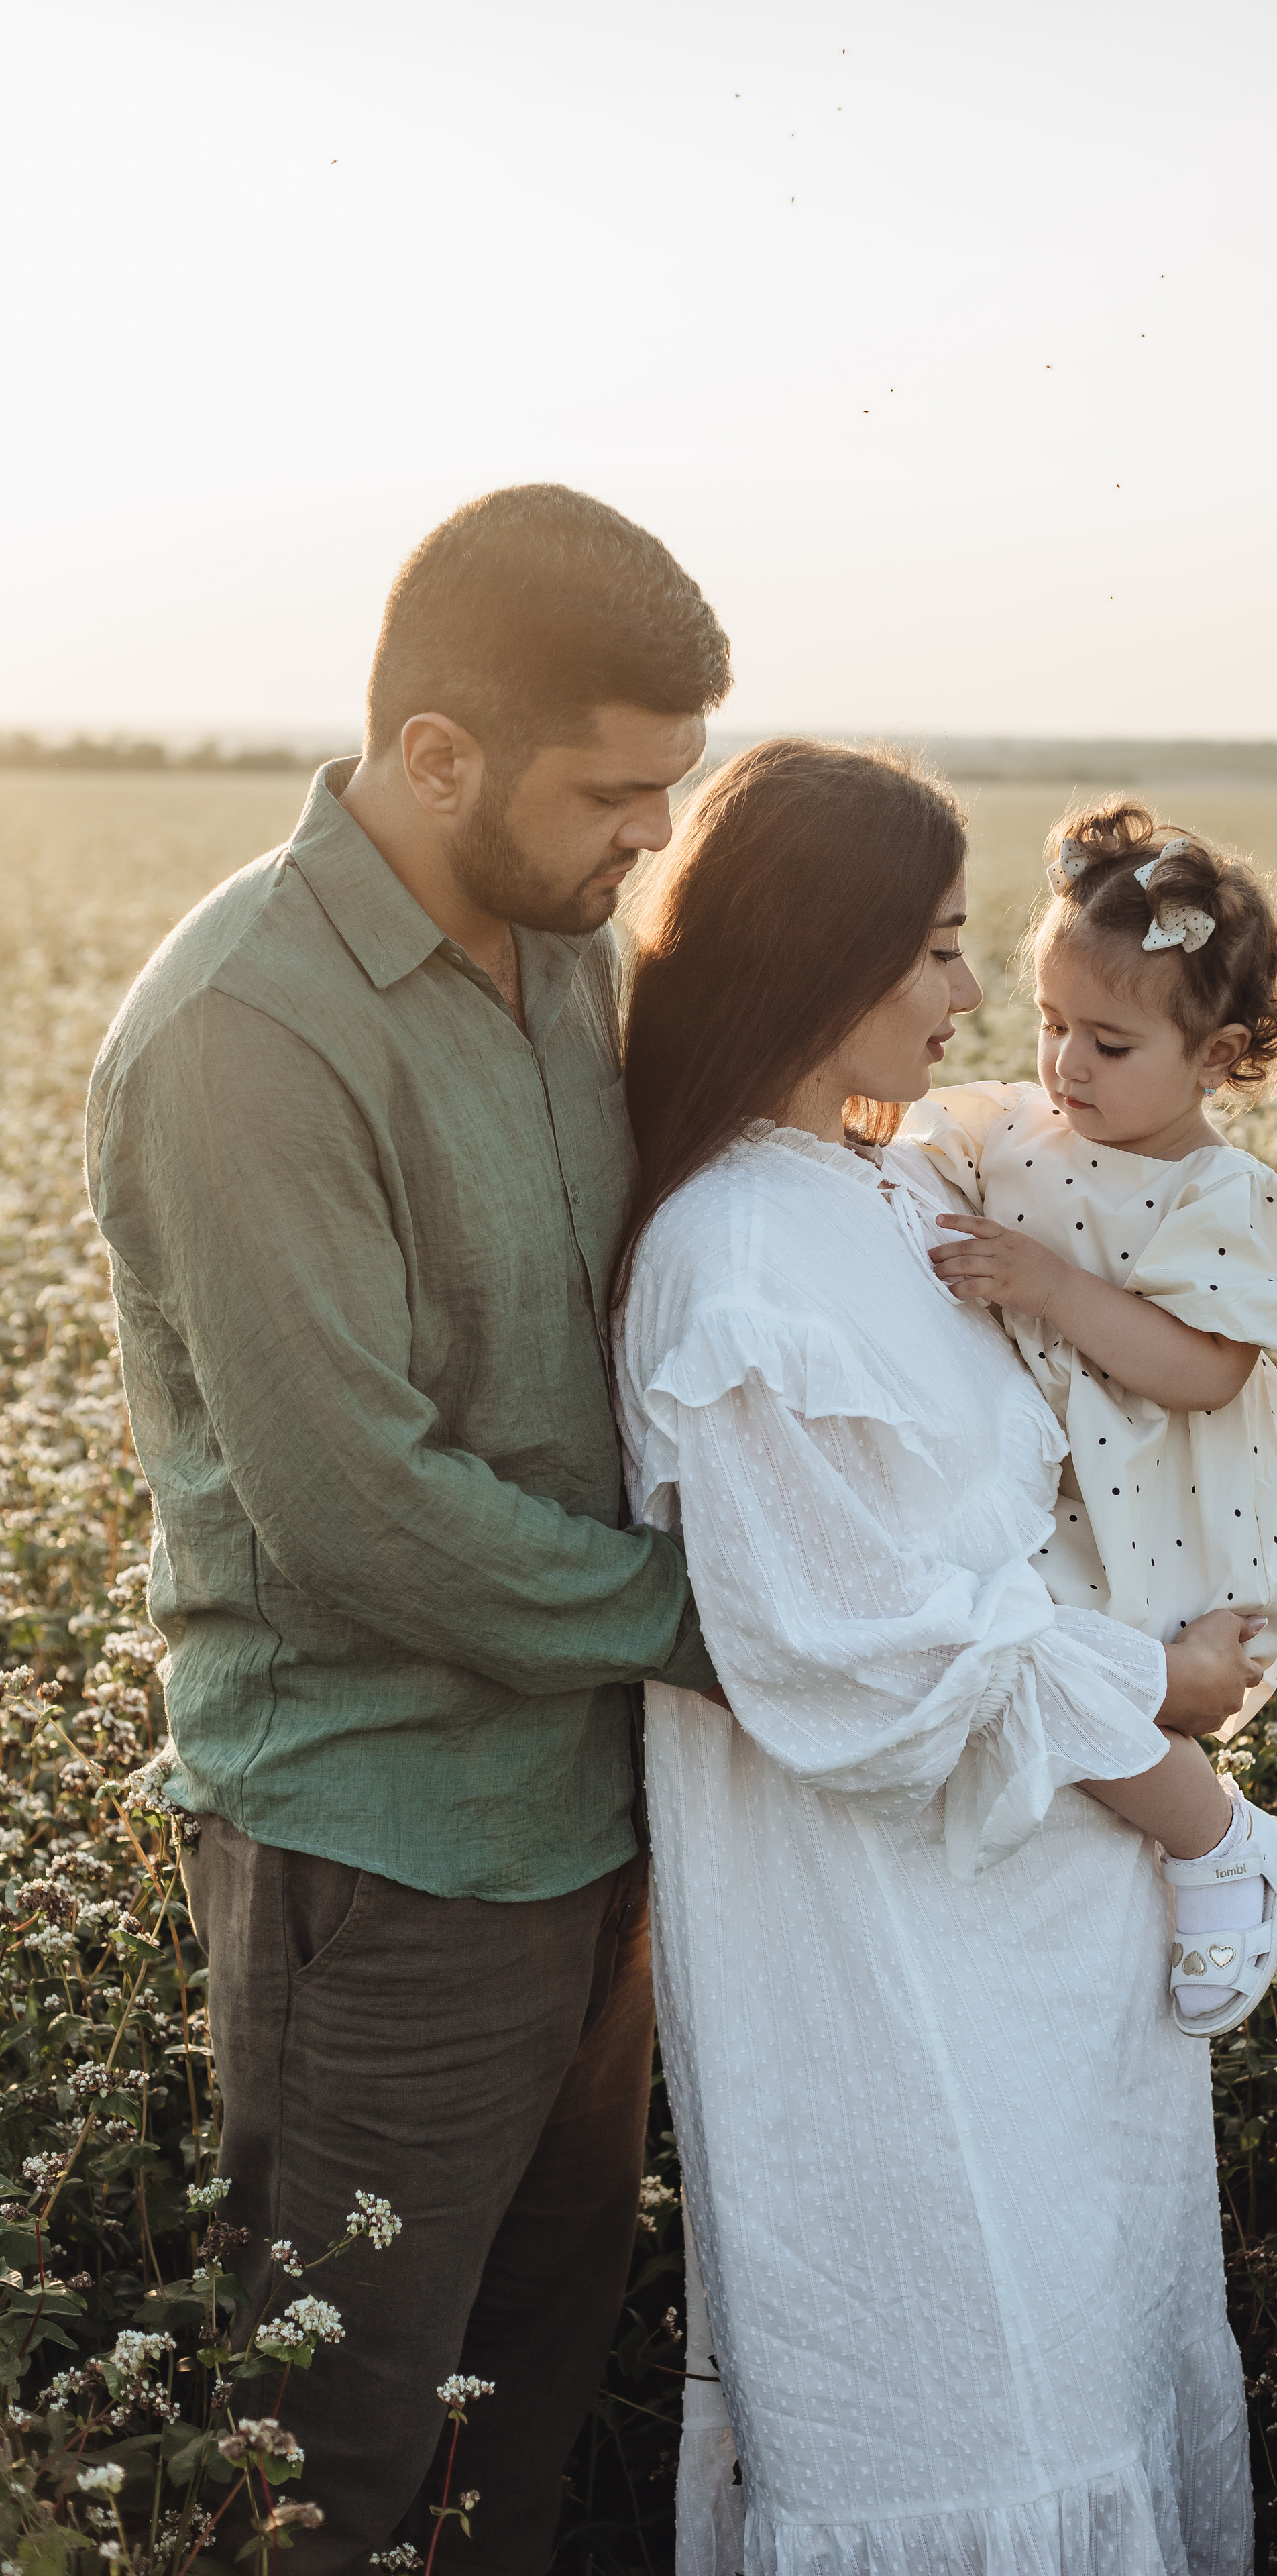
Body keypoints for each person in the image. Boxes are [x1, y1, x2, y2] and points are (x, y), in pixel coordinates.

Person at [85, 485, 731, 2570]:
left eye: (674, 786)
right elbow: (360, 1515)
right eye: (615, 791)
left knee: (509, 2442)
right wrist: (733, 1624)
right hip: (382, 1858)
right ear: (436, 756)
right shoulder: (247, 1031)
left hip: (592, 1825)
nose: (655, 836)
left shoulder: (566, 948)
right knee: (334, 2471)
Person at [614, 739, 1259, 2576]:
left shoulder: (882, 1188)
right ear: (818, 958)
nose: (973, 998)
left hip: (1047, 1950)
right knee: (952, 2420)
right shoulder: (731, 1252)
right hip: (883, 1965)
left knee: (1083, 2391)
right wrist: (1153, 1699)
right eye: (939, 949)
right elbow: (853, 1660)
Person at [904, 801, 1277, 2032]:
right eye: (1051, 1023)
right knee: (1027, 1661)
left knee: (1082, 1674)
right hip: (1049, 1490)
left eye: (1109, 1044)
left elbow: (1204, 1373)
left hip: (1160, 1507)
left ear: (1217, 1055)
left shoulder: (1220, 1196)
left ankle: (1222, 1844)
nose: (1066, 1064)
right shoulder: (1015, 1131)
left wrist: (1052, 1288)